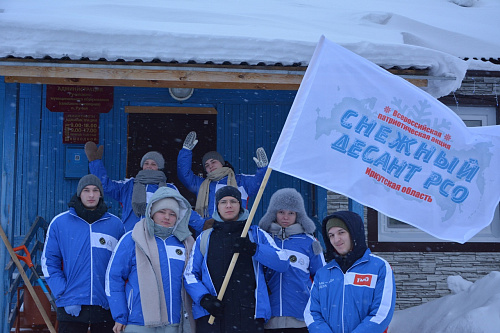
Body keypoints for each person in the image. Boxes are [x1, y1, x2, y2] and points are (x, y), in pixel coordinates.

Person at [183, 186, 290, 333]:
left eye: (233, 201)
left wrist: (254, 249)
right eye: (223, 202)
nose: (228, 205)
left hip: (249, 316)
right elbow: (190, 274)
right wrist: (204, 299)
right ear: (217, 207)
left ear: (240, 205)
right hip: (213, 316)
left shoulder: (257, 235)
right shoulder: (205, 237)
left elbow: (283, 262)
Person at [41, 174, 125, 333]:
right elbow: (49, 262)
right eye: (86, 190)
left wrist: (116, 299)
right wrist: (63, 293)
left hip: (105, 306)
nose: (91, 195)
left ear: (101, 193)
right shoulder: (60, 223)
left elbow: (122, 267)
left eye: (95, 190)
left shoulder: (115, 225)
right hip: (71, 305)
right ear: (80, 193)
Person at [106, 187, 195, 333]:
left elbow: (194, 278)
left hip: (175, 322)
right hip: (139, 321)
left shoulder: (186, 242)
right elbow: (114, 277)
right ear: (151, 213)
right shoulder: (133, 238)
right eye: (162, 212)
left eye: (172, 214)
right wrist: (120, 315)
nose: (167, 217)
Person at [304, 211, 396, 333]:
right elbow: (312, 313)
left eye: (341, 232)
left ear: (354, 233)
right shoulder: (324, 273)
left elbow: (382, 313)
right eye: (331, 235)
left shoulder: (379, 267)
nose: (336, 240)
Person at [85, 141, 204, 234]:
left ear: (159, 168)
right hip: (131, 235)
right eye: (146, 163)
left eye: (153, 164)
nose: (149, 166)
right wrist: (96, 163)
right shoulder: (129, 185)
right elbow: (105, 186)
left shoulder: (169, 188)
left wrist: (204, 225)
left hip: (159, 237)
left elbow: (184, 210)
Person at [258, 188, 325, 333]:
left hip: (300, 318)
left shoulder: (309, 242)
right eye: (281, 212)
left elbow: (322, 278)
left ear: (298, 215)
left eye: (291, 213)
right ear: (274, 213)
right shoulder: (264, 240)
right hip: (269, 317)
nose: (286, 217)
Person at [177, 131, 268, 219]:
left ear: (222, 163)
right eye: (207, 165)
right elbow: (184, 175)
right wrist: (186, 151)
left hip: (236, 230)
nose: (210, 166)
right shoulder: (202, 184)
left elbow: (260, 184)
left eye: (213, 162)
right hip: (209, 231)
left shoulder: (241, 180)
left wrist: (263, 169)